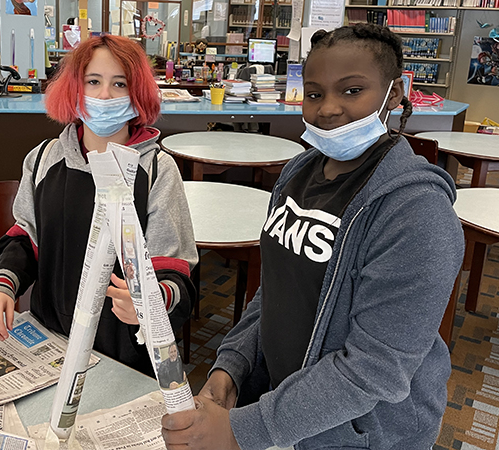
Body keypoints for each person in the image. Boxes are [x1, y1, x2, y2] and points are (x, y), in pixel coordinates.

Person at [161, 23, 464, 450]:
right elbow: (276, 291)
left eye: (352, 91)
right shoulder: (297, 173)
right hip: (288, 409)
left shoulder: (416, 214)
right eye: (316, 93)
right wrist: (230, 369)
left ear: (394, 94)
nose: (328, 110)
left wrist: (244, 430)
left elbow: (374, 369)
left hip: (360, 434)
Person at [0, 34, 198, 377]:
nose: (104, 95)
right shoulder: (43, 159)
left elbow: (175, 272)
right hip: (49, 340)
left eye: (119, 84)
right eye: (93, 81)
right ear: (74, 89)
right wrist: (2, 284)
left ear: (137, 93)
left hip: (123, 354)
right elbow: (26, 239)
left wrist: (151, 303)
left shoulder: (157, 171)